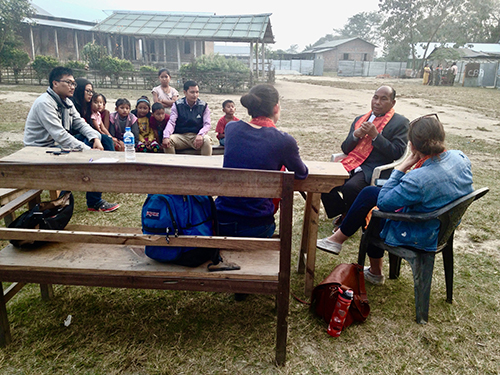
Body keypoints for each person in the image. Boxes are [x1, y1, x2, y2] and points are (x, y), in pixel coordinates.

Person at [317, 114, 473, 286]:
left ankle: (366, 263)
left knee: (372, 212)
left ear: (412, 146)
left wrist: (402, 167)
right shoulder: (460, 157)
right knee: (369, 194)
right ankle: (339, 241)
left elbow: (384, 202)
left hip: (421, 230)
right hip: (443, 224)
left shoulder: (419, 178)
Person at [215, 84, 309, 239]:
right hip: (257, 226)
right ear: (276, 107)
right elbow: (301, 174)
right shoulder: (283, 140)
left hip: (222, 221)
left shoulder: (232, 129)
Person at [24, 66, 119, 212]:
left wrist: (96, 138)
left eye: (73, 83)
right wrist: (88, 150)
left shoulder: (67, 102)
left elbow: (80, 123)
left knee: (105, 139)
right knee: (87, 151)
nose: (72, 86)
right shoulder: (45, 103)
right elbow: (60, 135)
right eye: (68, 82)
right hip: (41, 149)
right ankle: (93, 201)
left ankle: (109, 175)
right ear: (55, 83)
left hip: (57, 146)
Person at [319, 85, 409, 239]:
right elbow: (346, 149)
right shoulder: (361, 119)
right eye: (375, 97)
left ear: (393, 103)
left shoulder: (400, 122)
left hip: (374, 167)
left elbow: (397, 152)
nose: (377, 102)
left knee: (351, 187)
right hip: (352, 161)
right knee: (322, 180)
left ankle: (349, 219)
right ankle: (343, 211)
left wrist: (376, 136)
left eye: (383, 99)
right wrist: (355, 135)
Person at [162, 80, 212, 155]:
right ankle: (172, 165)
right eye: (192, 92)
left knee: (207, 140)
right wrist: (166, 136)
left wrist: (200, 134)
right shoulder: (177, 105)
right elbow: (172, 122)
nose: (195, 95)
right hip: (181, 136)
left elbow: (207, 124)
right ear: (185, 92)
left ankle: (205, 166)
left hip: (196, 136)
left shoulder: (203, 106)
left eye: (197, 92)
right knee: (169, 140)